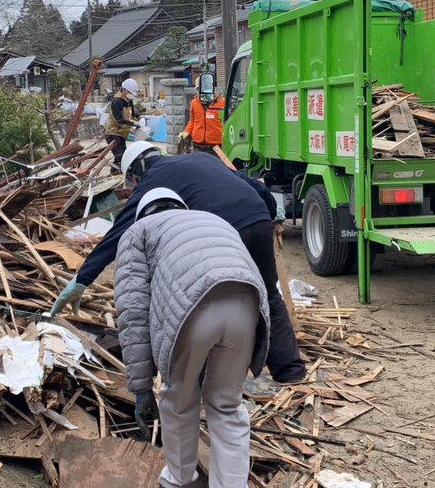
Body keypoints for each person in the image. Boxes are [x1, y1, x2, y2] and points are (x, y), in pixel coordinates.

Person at [50, 143, 306, 383]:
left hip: (221, 233)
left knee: (209, 300)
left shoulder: (151, 182)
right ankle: (290, 372)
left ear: (136, 172)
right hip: (257, 220)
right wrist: (272, 211)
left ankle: (210, 377)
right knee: (269, 295)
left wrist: (82, 279)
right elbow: (252, 185)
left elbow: (118, 233)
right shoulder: (202, 158)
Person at [115, 188, 269, 488]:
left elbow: (132, 311)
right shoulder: (213, 219)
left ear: (144, 212)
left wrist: (141, 387)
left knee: (180, 399)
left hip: (192, 307)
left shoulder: (138, 231)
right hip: (247, 303)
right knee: (227, 405)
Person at [103, 79, 141, 167]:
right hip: (113, 133)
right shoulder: (117, 101)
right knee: (119, 157)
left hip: (122, 133)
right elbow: (118, 120)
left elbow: (132, 114)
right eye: (130, 93)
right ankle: (115, 174)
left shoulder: (128, 101)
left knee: (125, 156)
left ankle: (120, 174)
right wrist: (132, 123)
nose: (132, 95)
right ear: (124, 90)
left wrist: (139, 118)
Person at [178, 86, 225, 151]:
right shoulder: (194, 102)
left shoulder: (222, 102)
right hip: (198, 143)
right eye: (199, 88)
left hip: (216, 143)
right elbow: (192, 121)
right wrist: (186, 131)